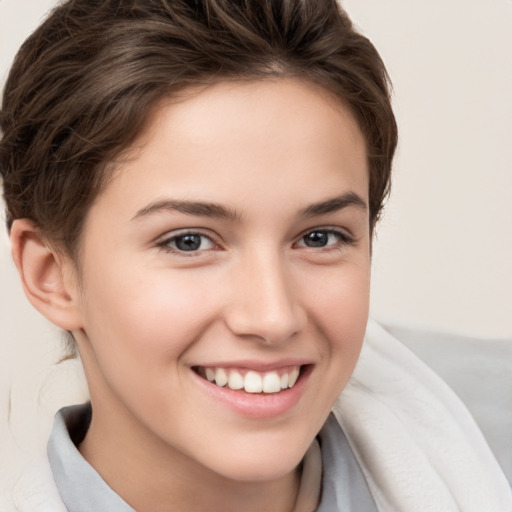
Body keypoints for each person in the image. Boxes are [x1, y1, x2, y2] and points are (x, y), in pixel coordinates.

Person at [0, 1, 510, 511]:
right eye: (189, 241)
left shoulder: (493, 442)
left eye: (319, 237)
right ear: (52, 275)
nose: (274, 317)